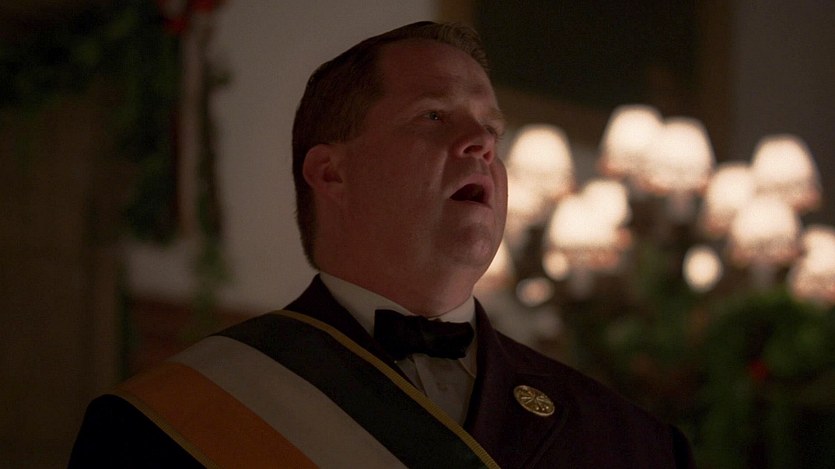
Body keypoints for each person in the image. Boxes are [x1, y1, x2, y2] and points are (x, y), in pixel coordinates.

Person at [70, 21, 695, 468]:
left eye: (492, 129)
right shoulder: (168, 424)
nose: (481, 143)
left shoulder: (632, 443)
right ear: (331, 174)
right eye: (434, 116)